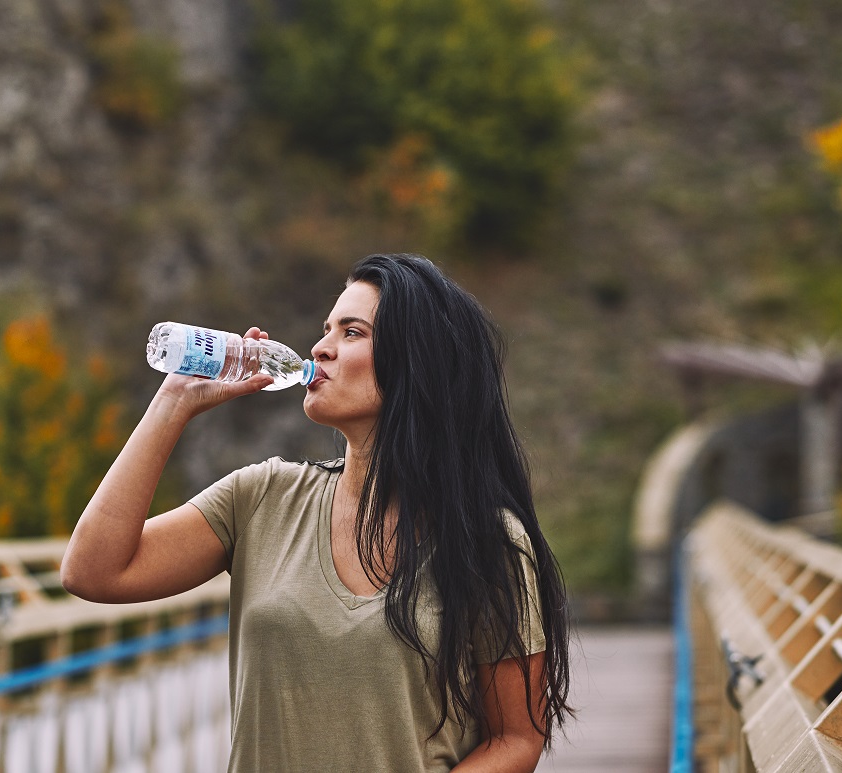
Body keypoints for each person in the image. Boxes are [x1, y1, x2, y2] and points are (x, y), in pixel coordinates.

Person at [60, 254, 573, 771]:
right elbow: (93, 571)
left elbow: (516, 740)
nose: (320, 347)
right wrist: (174, 400)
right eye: (327, 328)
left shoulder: (486, 542)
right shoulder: (262, 498)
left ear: (418, 362)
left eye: (352, 332)